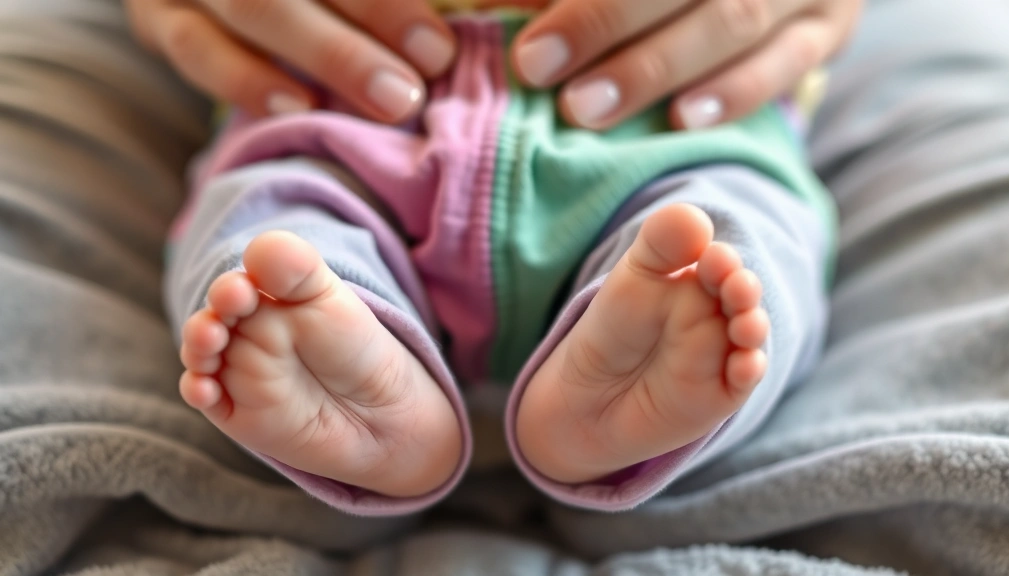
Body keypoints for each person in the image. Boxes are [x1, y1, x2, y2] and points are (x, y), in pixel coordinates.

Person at [132, 0, 861, 514]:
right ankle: (369, 391)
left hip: (664, 112)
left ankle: (616, 407)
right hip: (337, 107)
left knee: (726, 239)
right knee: (270, 234)